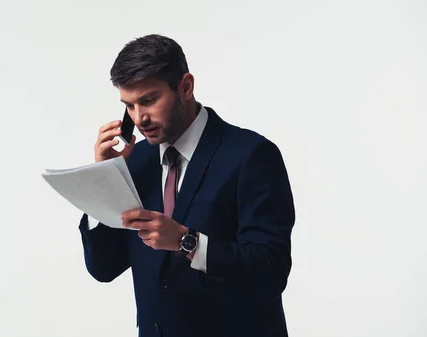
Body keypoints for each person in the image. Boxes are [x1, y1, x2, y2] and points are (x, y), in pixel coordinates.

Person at [78, 34, 296, 337]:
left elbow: (270, 271)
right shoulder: (134, 161)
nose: (139, 119)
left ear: (185, 87)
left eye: (149, 100)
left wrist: (186, 241)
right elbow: (104, 268)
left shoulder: (251, 155)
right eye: (128, 106)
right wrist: (104, 178)